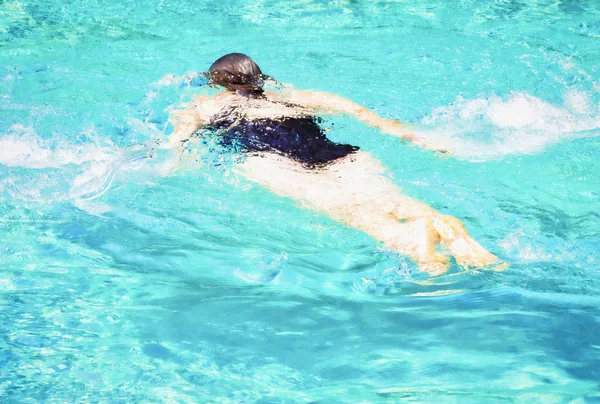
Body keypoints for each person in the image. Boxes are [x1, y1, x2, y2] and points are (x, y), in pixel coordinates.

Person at [166, 53, 503, 275]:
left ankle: (411, 238)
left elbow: (175, 145)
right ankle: (437, 222)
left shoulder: (205, 105)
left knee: (359, 216)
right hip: (337, 155)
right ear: (259, 78)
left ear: (217, 83)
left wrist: (166, 164)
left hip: (273, 162)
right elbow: (368, 117)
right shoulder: (297, 97)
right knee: (394, 200)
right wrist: (423, 139)